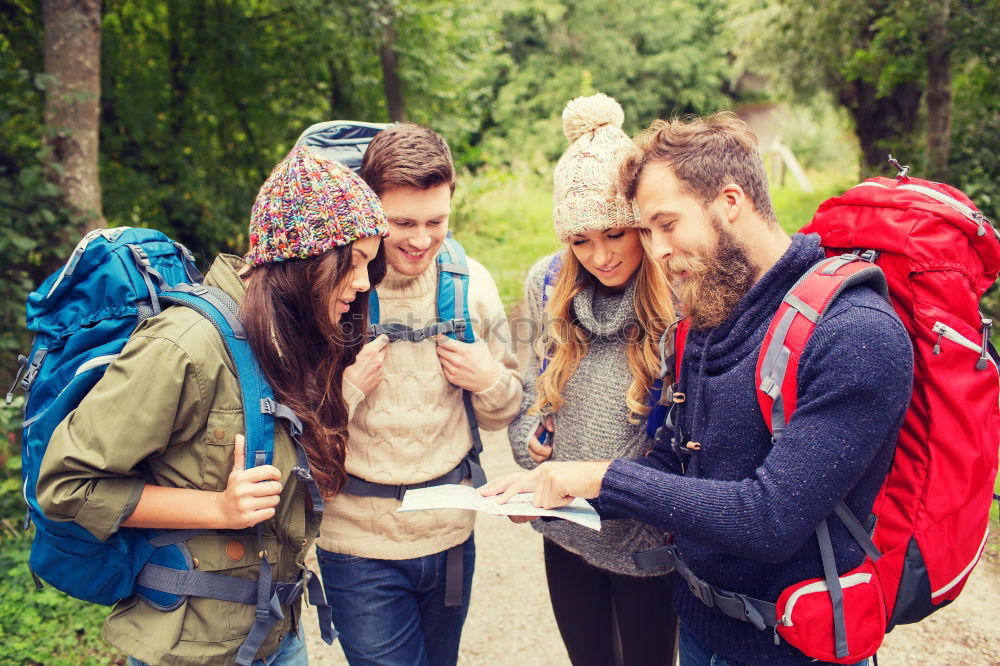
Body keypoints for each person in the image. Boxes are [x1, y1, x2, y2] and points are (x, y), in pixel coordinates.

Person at [482, 112, 913, 666]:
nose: (655, 250)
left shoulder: (855, 333)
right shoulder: (711, 310)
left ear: (729, 201)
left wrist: (600, 476)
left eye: (665, 224)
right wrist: (559, 486)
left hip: (792, 646)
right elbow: (673, 462)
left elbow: (770, 519)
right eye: (647, 230)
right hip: (701, 626)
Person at [36, 146, 388, 666]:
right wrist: (217, 508)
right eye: (354, 261)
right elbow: (64, 486)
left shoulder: (290, 333)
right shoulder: (185, 345)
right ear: (306, 256)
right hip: (194, 651)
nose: (363, 282)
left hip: (278, 633)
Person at [315, 123, 522, 666]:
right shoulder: (332, 291)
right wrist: (347, 391)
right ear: (368, 212)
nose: (421, 240)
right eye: (401, 222)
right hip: (358, 547)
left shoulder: (469, 282)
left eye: (437, 221)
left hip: (451, 536)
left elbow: (503, 412)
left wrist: (490, 380)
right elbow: (294, 427)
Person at [506, 93, 678, 666]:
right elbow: (535, 389)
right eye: (581, 240)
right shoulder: (548, 284)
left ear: (641, 226)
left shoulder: (679, 297)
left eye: (615, 233)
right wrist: (534, 442)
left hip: (648, 541)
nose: (601, 256)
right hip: (568, 533)